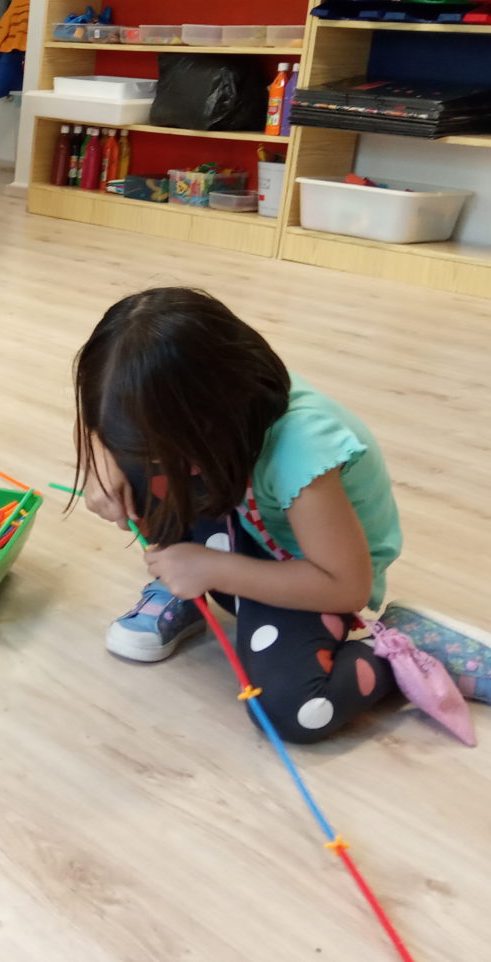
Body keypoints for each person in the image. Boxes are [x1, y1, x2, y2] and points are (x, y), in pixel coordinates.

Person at [74, 287, 490, 743]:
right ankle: (185, 587)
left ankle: (403, 646)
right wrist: (103, 460)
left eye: (175, 450)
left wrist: (215, 569)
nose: (161, 464)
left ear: (220, 406)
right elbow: (103, 419)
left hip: (313, 572)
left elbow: (347, 586)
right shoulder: (209, 398)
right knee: (137, 461)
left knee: (294, 710)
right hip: (247, 524)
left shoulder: (300, 448)